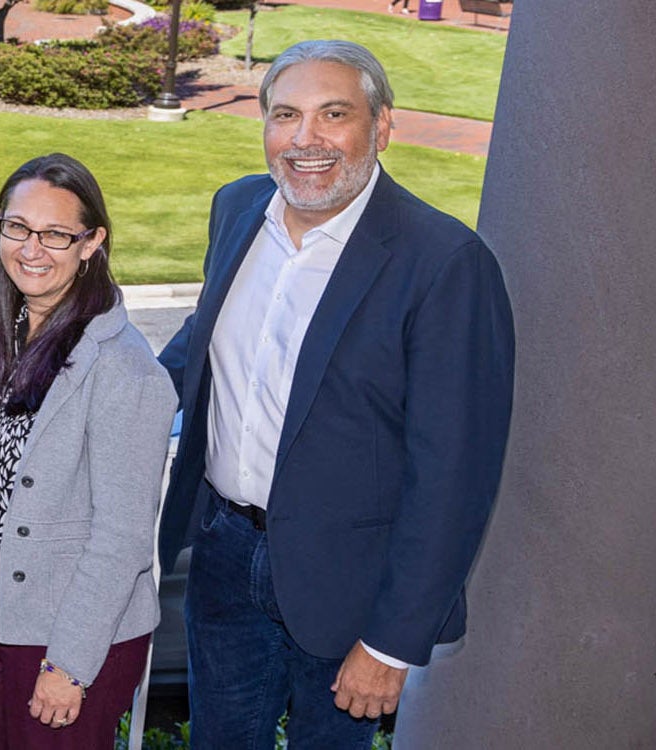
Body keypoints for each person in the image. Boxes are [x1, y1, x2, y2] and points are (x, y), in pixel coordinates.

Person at [157, 40, 515, 748]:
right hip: (223, 554)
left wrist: (391, 643)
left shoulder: (445, 264)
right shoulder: (237, 210)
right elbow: (203, 341)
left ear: (382, 127)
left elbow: (454, 477)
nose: (305, 139)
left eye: (333, 114)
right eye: (284, 114)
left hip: (349, 587)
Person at [0, 154, 178, 748]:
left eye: (56, 234)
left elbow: (122, 542)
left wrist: (68, 667)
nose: (31, 249)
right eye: (17, 228)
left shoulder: (125, 372)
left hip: (74, 619)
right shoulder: (1, 318)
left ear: (92, 243)